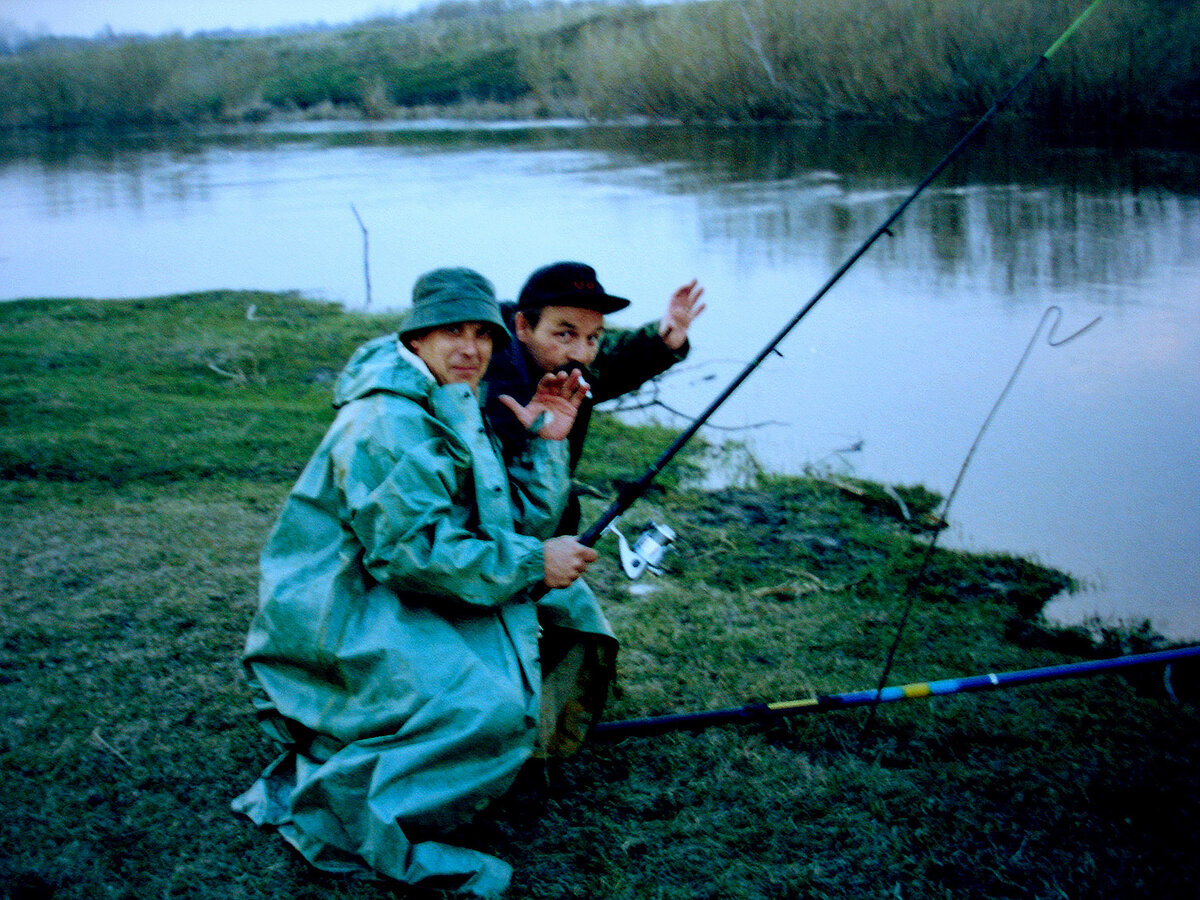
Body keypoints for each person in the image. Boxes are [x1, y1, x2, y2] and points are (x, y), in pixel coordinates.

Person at [232, 267, 617, 898]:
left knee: (572, 607)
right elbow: (408, 558)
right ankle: (372, 796)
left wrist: (545, 444)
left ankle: (502, 753)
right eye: (450, 332)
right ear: (416, 337)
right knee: (478, 702)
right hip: (345, 608)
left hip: (411, 580)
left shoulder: (451, 394)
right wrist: (529, 564)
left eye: (481, 334)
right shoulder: (385, 421)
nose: (469, 349)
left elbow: (510, 521)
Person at [484, 261, 705, 532]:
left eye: (592, 337)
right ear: (523, 326)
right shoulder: (484, 379)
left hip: (550, 527)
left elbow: (613, 360)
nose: (582, 353)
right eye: (565, 334)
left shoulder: (566, 366)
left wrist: (665, 339)